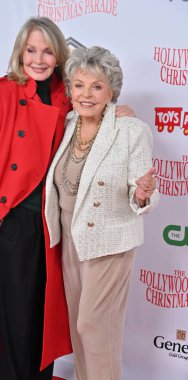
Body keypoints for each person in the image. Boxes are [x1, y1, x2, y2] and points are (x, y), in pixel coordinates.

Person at [0, 17, 136, 380]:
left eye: (47, 51)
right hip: (12, 222)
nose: (38, 59)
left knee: (42, 320)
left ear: (59, 56)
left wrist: (118, 114)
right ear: (20, 53)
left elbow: (95, 107)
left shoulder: (65, 95)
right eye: (31, 50)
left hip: (52, 224)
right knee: (13, 321)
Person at [45, 46, 159, 380]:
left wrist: (141, 193)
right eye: (79, 85)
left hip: (110, 238)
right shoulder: (67, 124)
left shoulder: (130, 130)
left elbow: (143, 194)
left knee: (94, 325)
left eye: (97, 86)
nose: (86, 94)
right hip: (70, 236)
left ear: (111, 91)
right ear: (70, 90)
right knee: (80, 328)